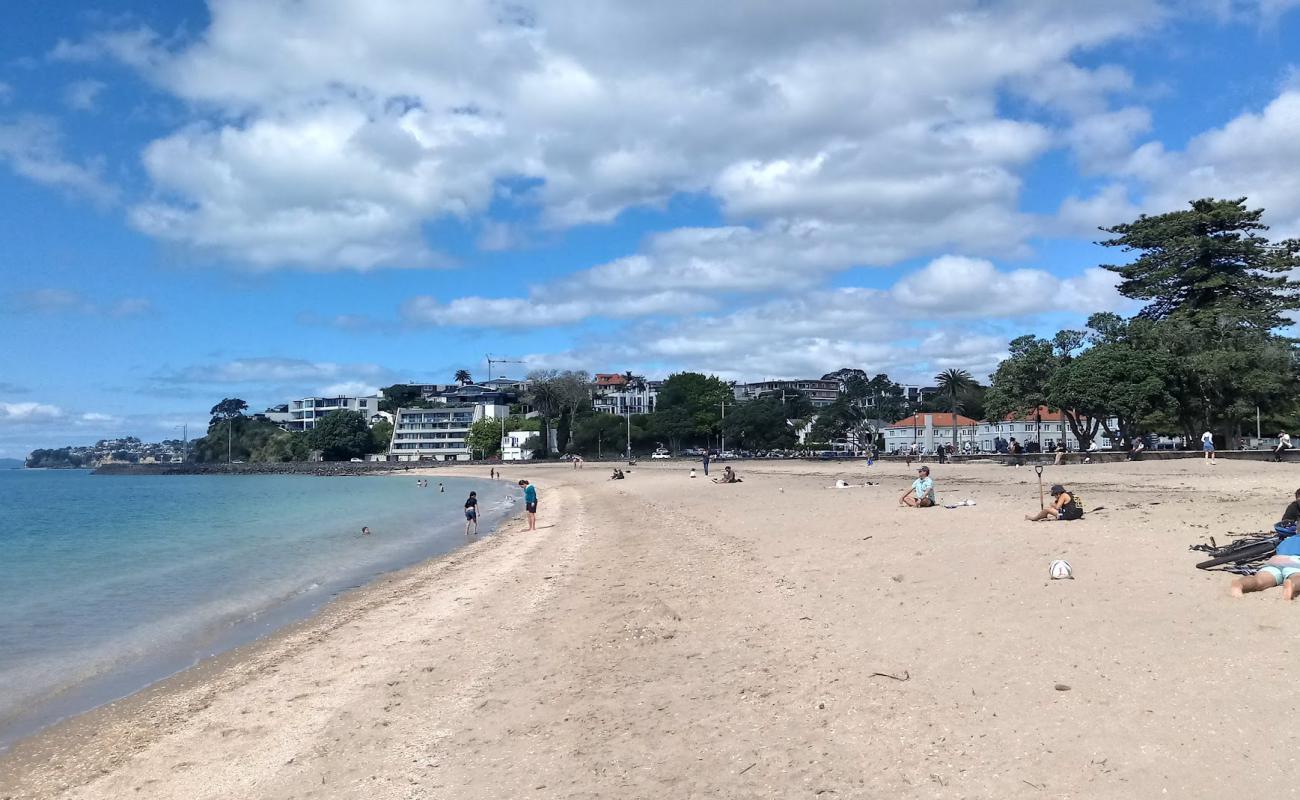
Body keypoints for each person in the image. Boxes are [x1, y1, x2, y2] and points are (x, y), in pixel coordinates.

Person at [1230, 531, 1300, 599]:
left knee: (1258, 580)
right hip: (1294, 562)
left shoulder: (1286, 541)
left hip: (1275, 561)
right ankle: (1292, 584)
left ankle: (1241, 584)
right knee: (1297, 577)